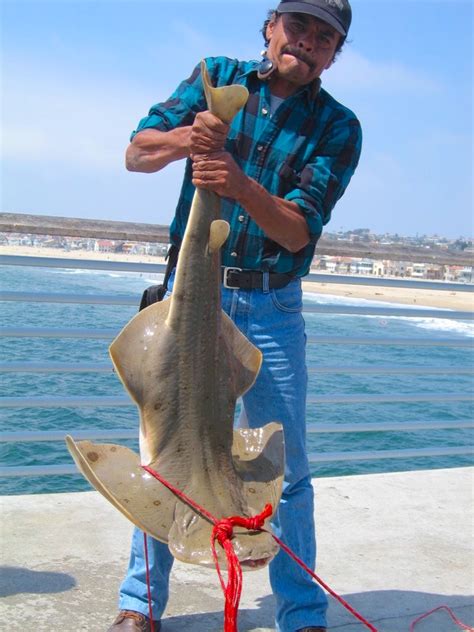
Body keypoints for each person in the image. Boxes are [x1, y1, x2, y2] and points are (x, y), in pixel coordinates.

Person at [108, 1, 362, 630]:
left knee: (285, 466)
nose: (306, 42)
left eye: (324, 37)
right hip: (192, 291)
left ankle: (301, 615)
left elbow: (300, 231)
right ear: (271, 27)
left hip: (269, 303)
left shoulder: (337, 125)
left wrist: (242, 184)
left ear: (335, 53)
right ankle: (140, 606)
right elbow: (136, 153)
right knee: (162, 450)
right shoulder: (214, 75)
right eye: (298, 26)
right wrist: (185, 140)